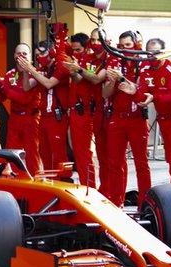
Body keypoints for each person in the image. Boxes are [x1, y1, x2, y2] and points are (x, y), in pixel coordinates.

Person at [119, 38, 171, 187]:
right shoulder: (146, 69)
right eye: (149, 53)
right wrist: (134, 91)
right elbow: (143, 96)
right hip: (164, 120)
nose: (153, 56)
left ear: (164, 53)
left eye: (156, 53)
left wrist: (154, 97)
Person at [103, 31, 152, 207]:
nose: (124, 50)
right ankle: (117, 202)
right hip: (117, 118)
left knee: (141, 162)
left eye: (128, 46)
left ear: (137, 44)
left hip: (137, 119)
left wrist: (123, 78)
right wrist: (111, 81)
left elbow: (142, 94)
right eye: (121, 46)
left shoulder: (145, 64)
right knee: (114, 162)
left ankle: (145, 203)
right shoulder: (115, 62)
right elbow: (105, 94)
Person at [63, 29, 112, 195]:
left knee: (101, 154)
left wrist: (78, 69)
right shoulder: (83, 59)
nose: (95, 43)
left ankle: (100, 191)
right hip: (80, 111)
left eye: (99, 40)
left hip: (95, 110)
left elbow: (96, 78)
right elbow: (78, 79)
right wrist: (74, 69)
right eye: (93, 40)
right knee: (81, 153)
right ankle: (90, 188)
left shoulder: (109, 59)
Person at [18, 42, 71, 173]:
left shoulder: (60, 67)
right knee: (44, 153)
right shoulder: (42, 70)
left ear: (51, 52)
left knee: (59, 154)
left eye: (42, 53)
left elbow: (48, 83)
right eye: (36, 55)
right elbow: (26, 87)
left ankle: (64, 181)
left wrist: (30, 69)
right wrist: (25, 71)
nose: (39, 57)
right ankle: (49, 183)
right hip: (44, 117)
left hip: (57, 117)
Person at [0, 43, 42, 173]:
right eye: (18, 53)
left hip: (31, 118)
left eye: (25, 54)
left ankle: (35, 182)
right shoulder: (10, 74)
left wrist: (4, 89)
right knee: (13, 153)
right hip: (14, 118)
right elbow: (2, 97)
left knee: (32, 153)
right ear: (14, 55)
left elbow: (24, 98)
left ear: (31, 58)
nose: (21, 56)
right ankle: (18, 180)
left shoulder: (36, 74)